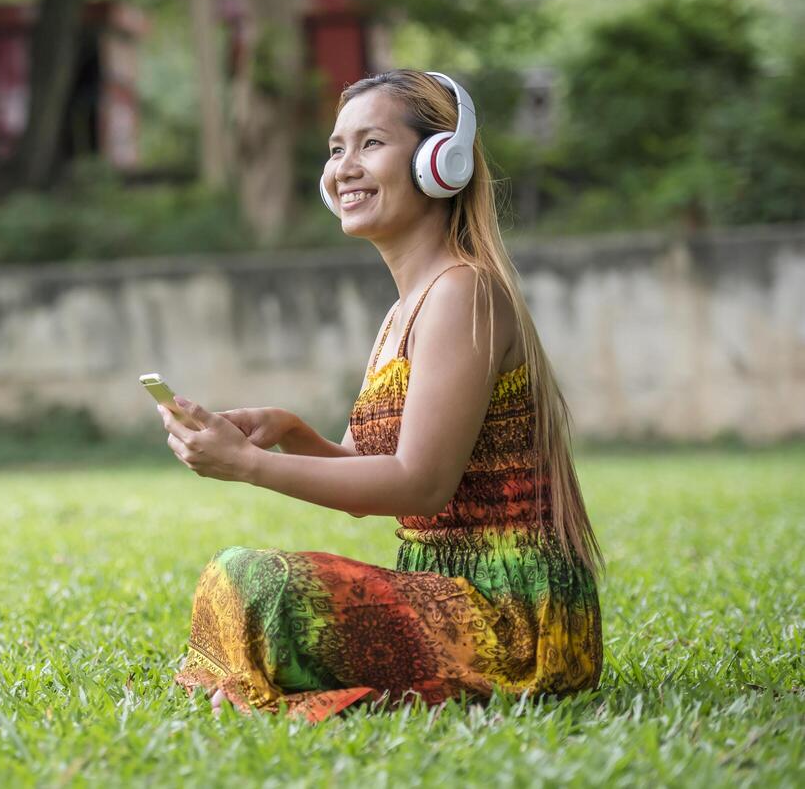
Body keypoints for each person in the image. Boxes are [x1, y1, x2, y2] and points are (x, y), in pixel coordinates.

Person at [163, 69, 603, 724]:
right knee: (236, 580)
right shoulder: (403, 311)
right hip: (443, 595)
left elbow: (418, 483)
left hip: (512, 622)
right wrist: (293, 434)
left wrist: (249, 467)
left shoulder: (463, 292)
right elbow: (375, 479)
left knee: (255, 583)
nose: (344, 167)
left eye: (370, 144)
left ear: (440, 162)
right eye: (337, 149)